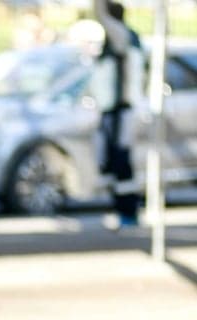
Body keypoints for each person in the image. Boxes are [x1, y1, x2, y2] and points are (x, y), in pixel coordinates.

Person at [92, 0, 143, 228]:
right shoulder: (122, 39)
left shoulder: (121, 36)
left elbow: (101, 14)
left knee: (121, 163)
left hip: (121, 111)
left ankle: (127, 212)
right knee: (114, 164)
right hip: (114, 111)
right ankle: (123, 210)